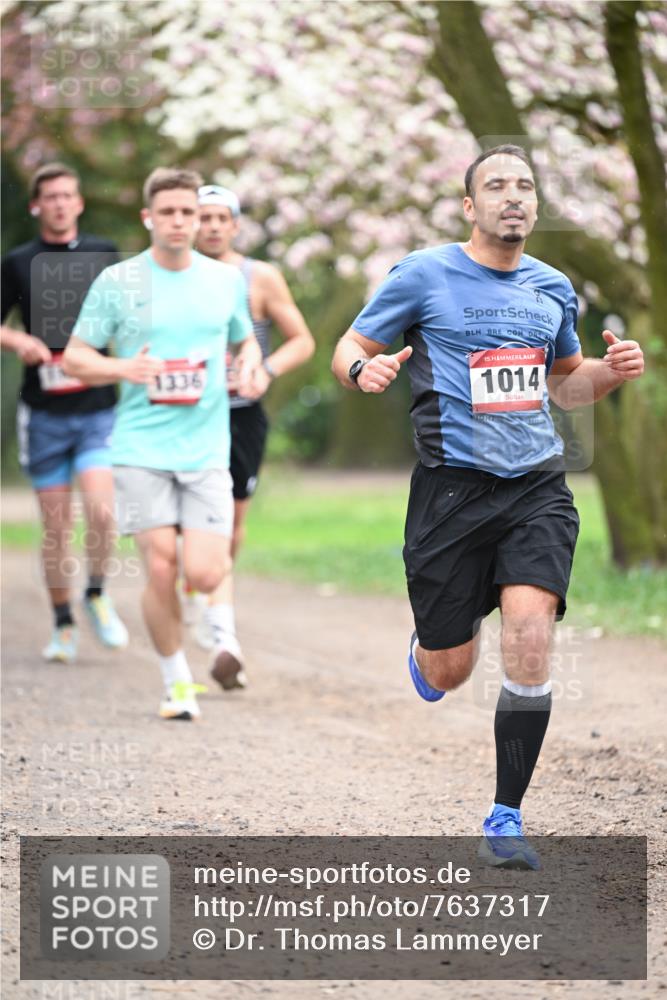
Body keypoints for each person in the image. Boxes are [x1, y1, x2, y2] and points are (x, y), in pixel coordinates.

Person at [332, 144, 644, 868]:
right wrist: (361, 367)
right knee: (449, 670)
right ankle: (428, 648)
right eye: (495, 186)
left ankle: (505, 815)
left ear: (535, 206)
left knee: (530, 634)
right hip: (450, 491)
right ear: (469, 207)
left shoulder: (552, 288)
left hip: (535, 485)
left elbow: (565, 384)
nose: (513, 197)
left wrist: (610, 372)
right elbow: (348, 343)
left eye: (524, 186)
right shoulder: (422, 274)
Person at [62, 167, 261, 720]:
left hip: (205, 450)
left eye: (188, 213)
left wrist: (250, 365)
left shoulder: (224, 281)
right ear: (149, 218)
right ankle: (176, 681)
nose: (179, 222)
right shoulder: (118, 281)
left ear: (200, 220)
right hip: (139, 448)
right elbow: (76, 356)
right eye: (168, 212)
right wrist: (125, 366)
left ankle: (204, 613)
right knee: (158, 566)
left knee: (203, 570)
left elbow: (244, 341)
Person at [1, 162, 128, 663]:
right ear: (37, 205)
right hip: (45, 412)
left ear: (78, 203)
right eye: (49, 196)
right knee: (56, 527)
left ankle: (95, 593)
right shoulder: (17, 262)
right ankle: (61, 624)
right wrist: (18, 340)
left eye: (67, 196)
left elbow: (128, 316)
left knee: (101, 511)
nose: (58, 203)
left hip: (97, 409)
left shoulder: (103, 254)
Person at [193, 184, 315, 690]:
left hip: (242, 415)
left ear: (236, 225)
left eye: (223, 218)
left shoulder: (259, 277)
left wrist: (264, 369)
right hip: (188, 417)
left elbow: (303, 340)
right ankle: (219, 619)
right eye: (205, 217)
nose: (214, 226)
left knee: (232, 522)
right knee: (202, 523)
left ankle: (210, 591)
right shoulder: (173, 275)